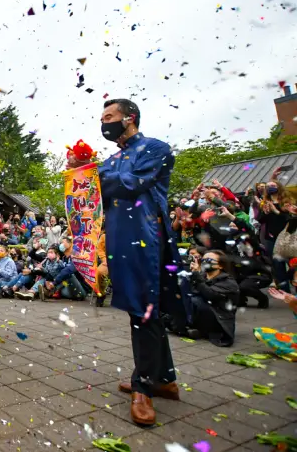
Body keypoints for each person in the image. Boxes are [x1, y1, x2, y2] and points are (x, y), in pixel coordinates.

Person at [97, 98, 182, 427]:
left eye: (110, 117)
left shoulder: (155, 148)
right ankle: (165, 379)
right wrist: (81, 171)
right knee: (142, 308)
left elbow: (130, 183)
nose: (104, 123)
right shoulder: (113, 158)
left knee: (144, 308)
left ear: (129, 118)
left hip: (146, 236)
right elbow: (96, 193)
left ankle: (143, 385)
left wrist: (92, 173)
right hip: (120, 239)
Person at [186, 250, 239, 346]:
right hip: (204, 314)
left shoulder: (229, 282)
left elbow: (210, 295)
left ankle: (197, 330)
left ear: (221, 266)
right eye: (204, 259)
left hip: (218, 318)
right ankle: (193, 330)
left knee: (194, 301)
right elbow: (190, 292)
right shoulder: (203, 276)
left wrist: (197, 276)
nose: (205, 262)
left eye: (209, 260)